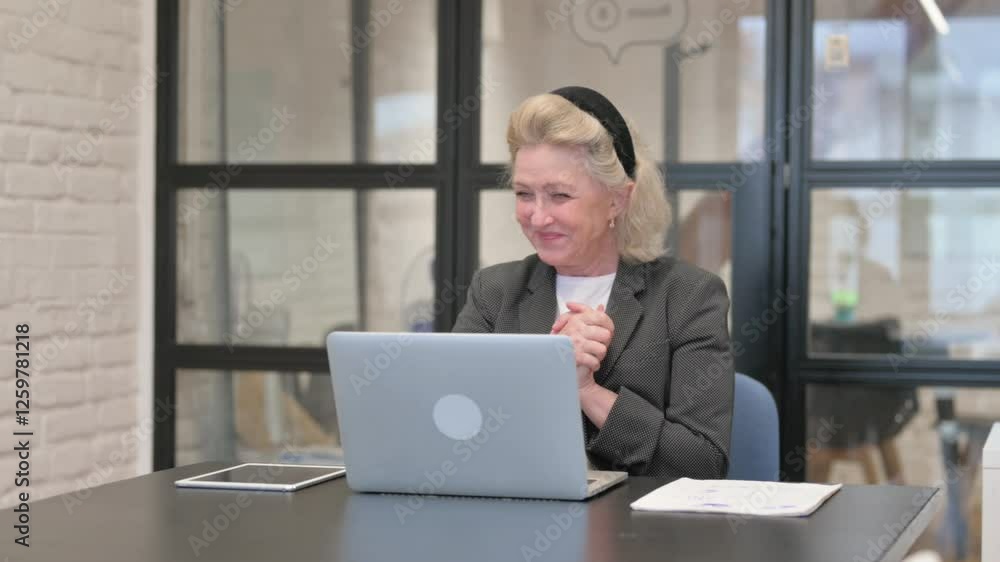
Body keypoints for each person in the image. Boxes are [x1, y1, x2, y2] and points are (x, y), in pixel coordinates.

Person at [452, 86, 734, 479]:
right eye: (524, 194)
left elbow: (701, 464)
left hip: (636, 518)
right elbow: (453, 430)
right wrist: (547, 372)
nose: (538, 217)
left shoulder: (688, 296)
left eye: (559, 195)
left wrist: (587, 391)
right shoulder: (494, 292)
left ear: (617, 200)